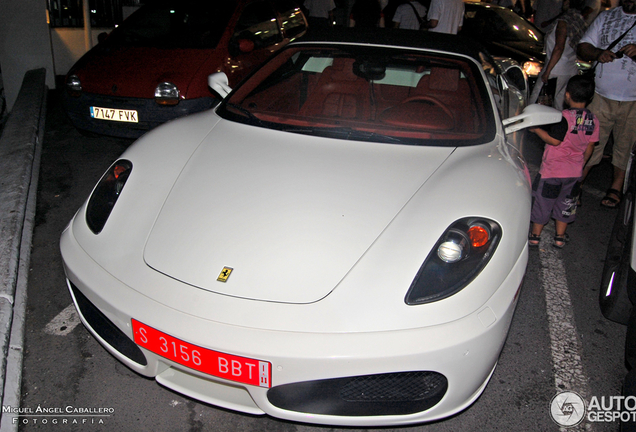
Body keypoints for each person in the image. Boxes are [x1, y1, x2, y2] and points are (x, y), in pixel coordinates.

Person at [528, 75, 599, 248]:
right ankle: (560, 237)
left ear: (567, 95)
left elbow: (554, 140)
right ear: (590, 98)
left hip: (552, 172)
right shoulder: (593, 120)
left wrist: (536, 129)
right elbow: (590, 147)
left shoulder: (562, 117)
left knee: (543, 203)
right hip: (573, 173)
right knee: (566, 204)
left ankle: (535, 236)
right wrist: (581, 164)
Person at [577, 0, 636, 208]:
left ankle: (616, 187)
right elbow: (583, 47)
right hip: (601, 95)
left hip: (633, 99)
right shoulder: (606, 17)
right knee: (590, 142)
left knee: (625, 145)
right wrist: (597, 54)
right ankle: (578, 183)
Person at [529, 0, 588, 110]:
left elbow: (559, 47)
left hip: (556, 67)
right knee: (561, 104)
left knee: (536, 99)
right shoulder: (579, 19)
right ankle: (561, 125)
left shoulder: (564, 21)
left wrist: (547, 71)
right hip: (570, 67)